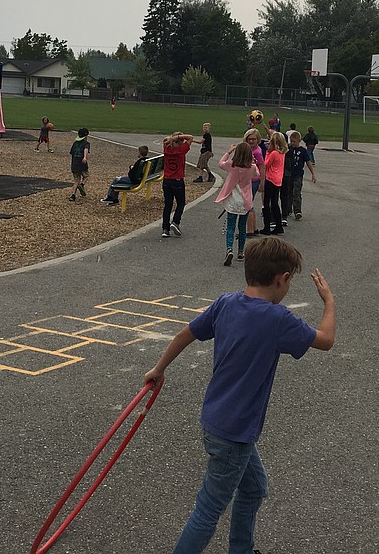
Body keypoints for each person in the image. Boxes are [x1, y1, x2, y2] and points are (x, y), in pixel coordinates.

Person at [143, 237, 336, 554]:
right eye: (290, 282)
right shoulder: (277, 319)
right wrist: (328, 302)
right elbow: (326, 339)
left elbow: (185, 333)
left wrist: (158, 368)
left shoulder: (226, 303)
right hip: (234, 434)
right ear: (282, 279)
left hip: (218, 422)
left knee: (254, 488)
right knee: (208, 509)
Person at [215, 141, 259, 266]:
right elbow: (257, 175)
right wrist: (253, 162)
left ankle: (229, 249)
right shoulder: (251, 167)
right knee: (242, 226)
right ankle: (241, 251)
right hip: (245, 201)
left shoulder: (231, 165)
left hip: (233, 200)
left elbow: (220, 163)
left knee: (230, 226)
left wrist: (228, 152)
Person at [161, 131, 194, 238]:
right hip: (177, 180)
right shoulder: (181, 150)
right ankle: (175, 222)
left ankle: (165, 229)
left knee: (168, 205)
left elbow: (165, 139)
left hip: (167, 179)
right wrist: (180, 136)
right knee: (180, 203)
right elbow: (190, 137)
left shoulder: (167, 147)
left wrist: (173, 137)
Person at [284, 131, 316, 220]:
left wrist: (313, 174)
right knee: (288, 192)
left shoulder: (303, 151)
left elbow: (308, 162)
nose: (293, 143)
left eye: (294, 141)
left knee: (296, 192)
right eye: (291, 141)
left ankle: (297, 210)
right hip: (289, 174)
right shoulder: (289, 149)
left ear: (299, 141)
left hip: (298, 175)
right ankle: (288, 209)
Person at [260, 131, 288, 235]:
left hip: (271, 178)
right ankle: (279, 226)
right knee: (275, 203)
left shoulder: (274, 153)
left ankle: (267, 227)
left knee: (266, 203)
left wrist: (267, 152)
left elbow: (265, 164)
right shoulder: (282, 152)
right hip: (278, 179)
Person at [242, 128, 266, 237]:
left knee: (248, 205)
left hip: (253, 181)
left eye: (253, 139)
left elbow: (262, 167)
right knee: (249, 203)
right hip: (248, 180)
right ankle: (254, 228)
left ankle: (249, 230)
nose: (251, 141)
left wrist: (262, 182)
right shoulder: (249, 149)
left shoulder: (257, 151)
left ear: (257, 140)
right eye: (249, 139)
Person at [68, 128, 90, 201]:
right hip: (82, 163)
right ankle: (82, 184)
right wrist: (84, 157)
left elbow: (72, 153)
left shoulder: (75, 143)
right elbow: (86, 150)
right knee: (86, 176)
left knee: (76, 180)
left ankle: (72, 196)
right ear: (85, 136)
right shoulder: (86, 143)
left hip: (74, 164)